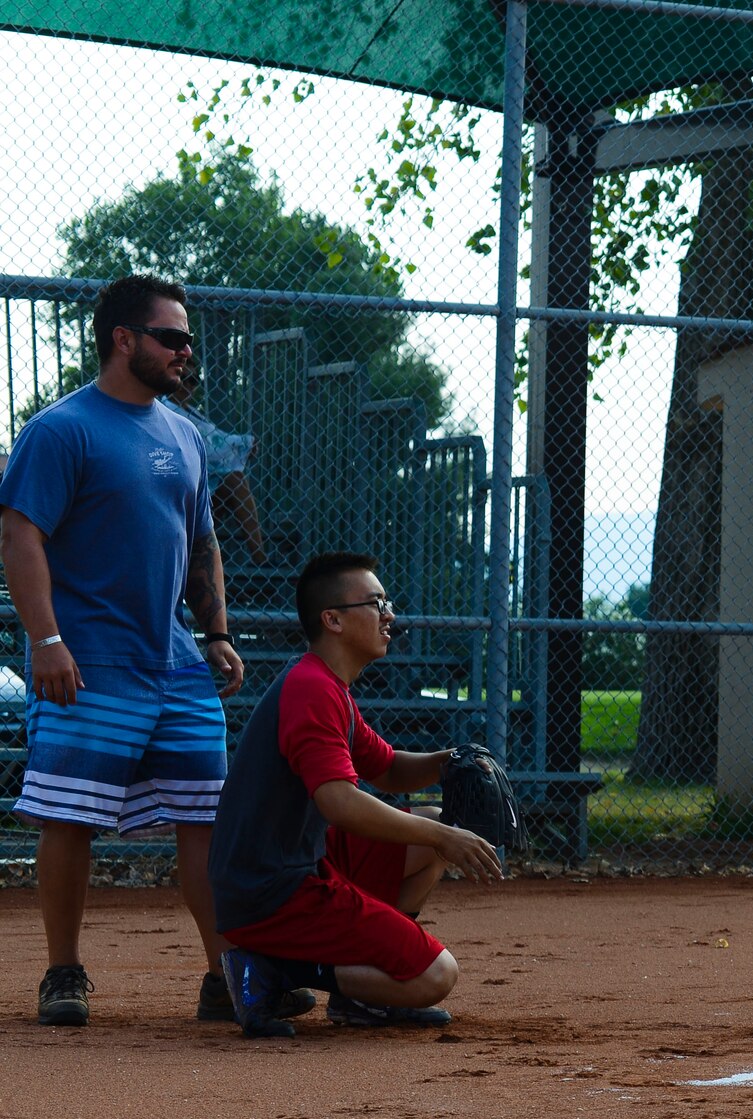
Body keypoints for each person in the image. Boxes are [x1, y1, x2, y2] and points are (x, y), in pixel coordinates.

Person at [0, 273, 274, 1028]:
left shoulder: (185, 433)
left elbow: (202, 540)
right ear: (124, 339)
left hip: (175, 663)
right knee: (69, 818)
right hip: (88, 662)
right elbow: (20, 536)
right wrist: (47, 639)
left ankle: (225, 975)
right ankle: (63, 971)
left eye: (187, 338)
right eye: (172, 337)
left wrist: (215, 632)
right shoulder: (61, 429)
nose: (186, 351)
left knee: (206, 816)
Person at [206, 551, 502, 1037]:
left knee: (429, 830)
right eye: (376, 603)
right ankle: (274, 971)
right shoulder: (311, 689)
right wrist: (443, 834)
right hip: (272, 890)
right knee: (434, 975)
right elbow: (338, 802)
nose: (390, 615)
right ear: (334, 620)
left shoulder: (328, 685)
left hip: (288, 866)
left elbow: (385, 768)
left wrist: (447, 761)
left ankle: (361, 997)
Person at [163, 362, 267, 564]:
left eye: (192, 381)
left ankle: (258, 556)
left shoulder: (192, 412)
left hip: (206, 490)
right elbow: (209, 446)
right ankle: (259, 557)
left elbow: (215, 440)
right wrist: (243, 443)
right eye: (182, 378)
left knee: (235, 479)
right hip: (186, 495)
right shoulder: (168, 410)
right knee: (235, 480)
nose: (187, 385)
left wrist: (241, 445)